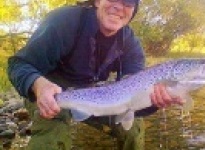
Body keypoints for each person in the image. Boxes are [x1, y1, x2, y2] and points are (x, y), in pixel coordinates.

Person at [7, 0, 184, 149]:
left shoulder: (131, 44)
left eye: (128, 1)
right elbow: (18, 64)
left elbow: (133, 99)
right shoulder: (64, 20)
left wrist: (154, 101)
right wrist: (39, 85)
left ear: (133, 10)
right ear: (97, 1)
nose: (118, 5)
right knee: (53, 138)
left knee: (133, 129)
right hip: (49, 92)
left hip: (96, 96)